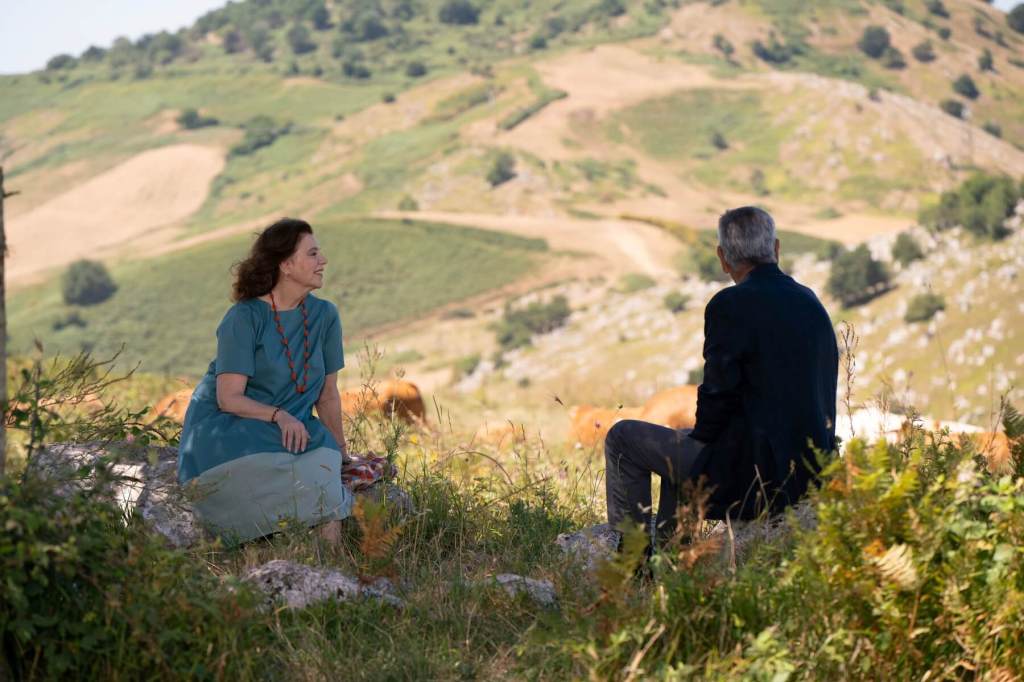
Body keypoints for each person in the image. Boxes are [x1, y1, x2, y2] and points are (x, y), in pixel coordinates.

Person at [604, 206, 838, 546]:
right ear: (776, 249)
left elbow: (718, 395)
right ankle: (672, 555)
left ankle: (632, 559)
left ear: (723, 258)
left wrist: (700, 438)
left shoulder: (730, 304)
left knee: (622, 437)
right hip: (811, 469)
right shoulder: (809, 301)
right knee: (684, 445)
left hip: (756, 477)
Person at [178, 218, 352, 543]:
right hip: (232, 427)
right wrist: (279, 415)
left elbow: (327, 395)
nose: (323, 260)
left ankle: (329, 567)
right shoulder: (243, 318)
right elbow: (229, 398)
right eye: (313, 254)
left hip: (293, 428)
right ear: (286, 265)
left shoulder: (325, 316)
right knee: (312, 474)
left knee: (325, 466)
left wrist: (343, 453)